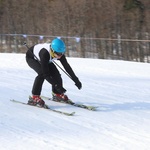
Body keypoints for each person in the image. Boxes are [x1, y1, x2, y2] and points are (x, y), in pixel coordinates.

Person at [26, 38, 82, 107]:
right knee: (41, 74)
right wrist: (57, 85)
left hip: (46, 60)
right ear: (52, 51)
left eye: (62, 53)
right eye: (58, 54)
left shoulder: (59, 52)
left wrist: (76, 80)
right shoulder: (44, 53)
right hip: (32, 58)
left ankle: (57, 94)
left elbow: (67, 67)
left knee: (56, 74)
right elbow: (46, 74)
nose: (60, 56)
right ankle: (34, 97)